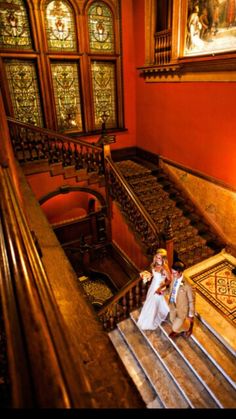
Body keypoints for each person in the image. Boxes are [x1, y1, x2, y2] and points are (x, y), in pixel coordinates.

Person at [137, 248, 171, 331]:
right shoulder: (154, 264)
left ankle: (151, 320)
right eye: (156, 257)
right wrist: (147, 275)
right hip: (153, 285)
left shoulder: (164, 267)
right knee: (150, 300)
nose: (157, 259)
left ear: (163, 259)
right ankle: (147, 315)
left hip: (159, 287)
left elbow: (170, 279)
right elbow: (154, 274)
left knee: (154, 303)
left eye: (159, 258)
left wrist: (160, 287)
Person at [168, 261, 195, 338]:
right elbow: (171, 290)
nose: (172, 275)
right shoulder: (174, 278)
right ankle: (178, 329)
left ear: (180, 272)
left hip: (181, 310)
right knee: (172, 320)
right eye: (172, 272)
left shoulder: (188, 285)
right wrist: (163, 291)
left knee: (174, 327)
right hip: (173, 305)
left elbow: (191, 301)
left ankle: (187, 328)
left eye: (174, 273)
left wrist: (191, 315)